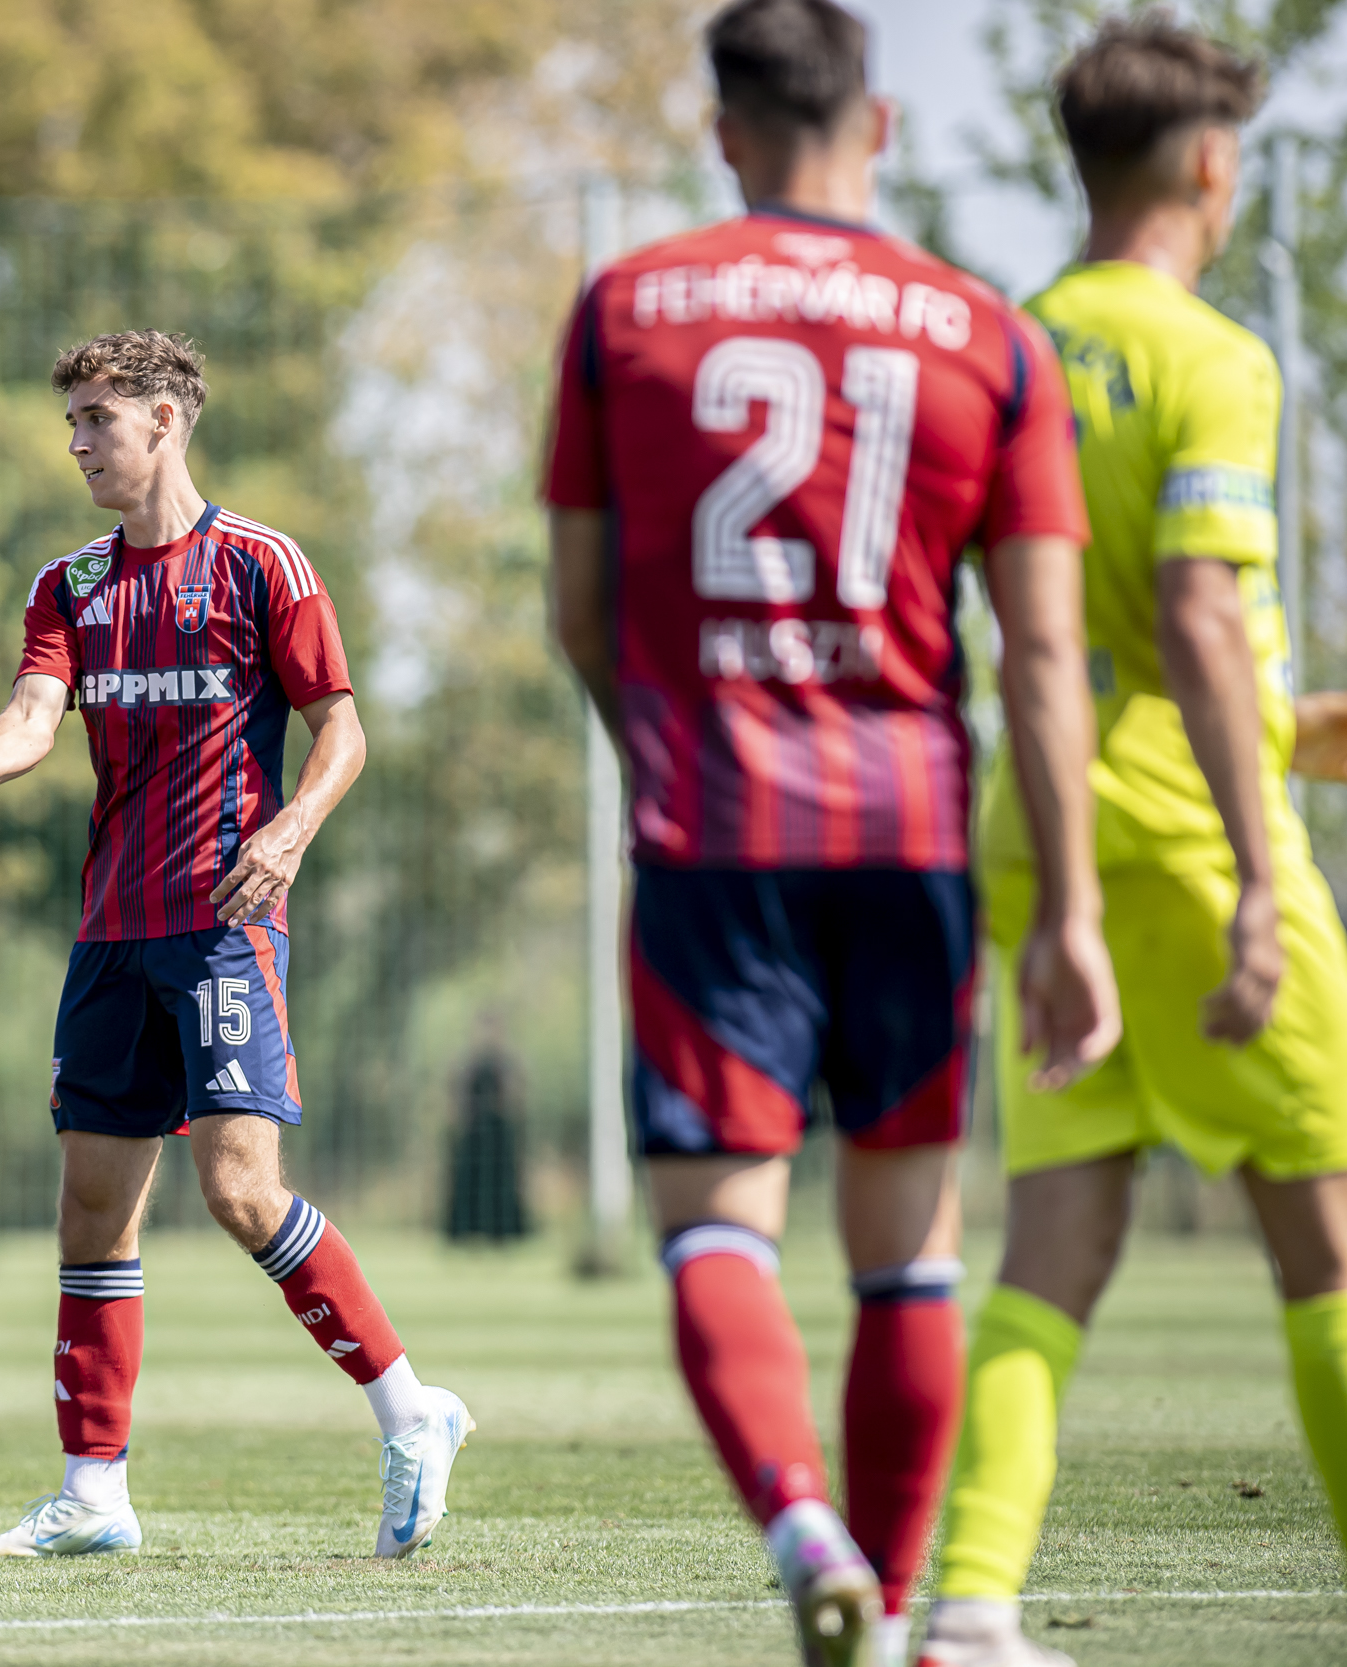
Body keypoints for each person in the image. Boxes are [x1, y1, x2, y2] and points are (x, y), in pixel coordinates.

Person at [543, 3, 1120, 1662]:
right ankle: (906, 1596)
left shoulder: (626, 308)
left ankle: (802, 1524)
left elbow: (580, 604)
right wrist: (1070, 907)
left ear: (724, 132)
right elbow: (1046, 651)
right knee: (910, 1246)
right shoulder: (986, 332)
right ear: (879, 124)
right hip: (913, 833)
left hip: (716, 829)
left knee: (717, 1222)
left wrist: (665, 748)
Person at [0, 329, 473, 1560]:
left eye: (97, 418)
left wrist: (289, 831)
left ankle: (412, 1410)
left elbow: (341, 730)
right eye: (72, 423)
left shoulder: (262, 563)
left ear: (166, 418)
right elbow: (34, 715)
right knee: (92, 1212)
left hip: (222, 925)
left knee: (238, 1190)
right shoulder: (69, 584)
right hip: (110, 933)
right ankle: (93, 1493)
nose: (78, 443)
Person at [922, 18, 1347, 1666]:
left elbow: (1075, 642)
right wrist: (1260, 879)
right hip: (1188, 842)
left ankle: (972, 1603)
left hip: (1046, 842)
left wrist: (1295, 726)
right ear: (1212, 166)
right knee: (1326, 1239)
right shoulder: (1212, 358)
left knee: (1055, 1245)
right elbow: (1193, 619)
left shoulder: (1013, 347)